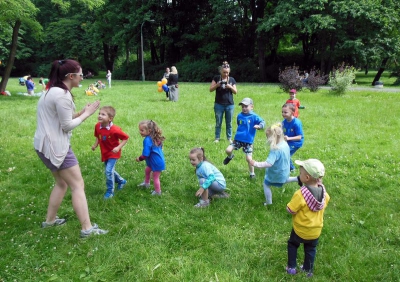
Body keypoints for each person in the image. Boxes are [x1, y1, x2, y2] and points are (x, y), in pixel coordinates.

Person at [34, 59, 108, 238]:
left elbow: (59, 119)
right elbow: (66, 126)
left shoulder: (50, 91)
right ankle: (87, 229)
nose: (83, 77)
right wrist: (88, 115)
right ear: (71, 76)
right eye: (81, 74)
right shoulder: (62, 95)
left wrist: (80, 113)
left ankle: (49, 222)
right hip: (56, 147)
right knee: (77, 185)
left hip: (42, 145)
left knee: (61, 183)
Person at [286, 159, 330, 277]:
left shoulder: (300, 194)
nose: (299, 175)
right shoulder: (325, 194)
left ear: (306, 178)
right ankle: (308, 270)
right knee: (310, 249)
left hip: (300, 229)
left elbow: (291, 209)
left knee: (293, 245)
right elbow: (326, 202)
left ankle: (291, 268)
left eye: (300, 174)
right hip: (315, 231)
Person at [251, 123, 298, 205]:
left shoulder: (275, 149)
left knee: (266, 184)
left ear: (272, 138)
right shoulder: (285, 144)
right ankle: (297, 179)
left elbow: (268, 163)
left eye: (267, 137)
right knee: (284, 179)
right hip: (285, 170)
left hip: (276, 173)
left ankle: (269, 203)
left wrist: (256, 164)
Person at [92, 106, 129, 199]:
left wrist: (118, 147)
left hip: (113, 153)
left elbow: (125, 138)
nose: (100, 116)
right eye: (99, 113)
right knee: (110, 171)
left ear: (110, 118)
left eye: (103, 114)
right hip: (105, 153)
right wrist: (95, 145)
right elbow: (98, 136)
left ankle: (110, 191)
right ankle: (121, 181)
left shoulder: (115, 130)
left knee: (108, 171)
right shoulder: (97, 126)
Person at [223, 97, 265, 178]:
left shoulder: (254, 116)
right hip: (238, 139)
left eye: (246, 106)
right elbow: (239, 124)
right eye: (242, 106)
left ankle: (252, 173)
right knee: (228, 150)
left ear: (251, 107)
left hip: (248, 141)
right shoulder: (239, 115)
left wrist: (259, 126)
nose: (244, 108)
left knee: (249, 159)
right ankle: (230, 156)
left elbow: (262, 122)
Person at [209, 61, 237, 143]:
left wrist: (230, 87)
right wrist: (217, 85)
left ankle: (229, 138)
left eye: (227, 73)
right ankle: (217, 138)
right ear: (221, 71)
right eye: (224, 72)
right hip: (218, 104)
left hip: (229, 104)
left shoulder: (232, 79)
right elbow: (210, 89)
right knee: (218, 122)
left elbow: (235, 91)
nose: (226, 74)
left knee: (229, 123)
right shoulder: (216, 78)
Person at [136, 120, 166, 195]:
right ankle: (146, 183)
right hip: (155, 161)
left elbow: (146, 154)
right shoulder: (154, 137)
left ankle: (158, 191)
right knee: (147, 170)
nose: (140, 132)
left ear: (149, 131)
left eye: (142, 130)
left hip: (156, 162)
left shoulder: (147, 140)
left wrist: (139, 158)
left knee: (155, 177)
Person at [282, 103, 304, 172]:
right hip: (288, 141)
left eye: (285, 112)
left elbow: (299, 137)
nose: (283, 114)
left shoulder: (296, 123)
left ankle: (292, 168)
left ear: (292, 113)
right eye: (282, 112)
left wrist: (288, 138)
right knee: (282, 152)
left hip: (296, 142)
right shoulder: (284, 121)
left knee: (286, 154)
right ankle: (283, 166)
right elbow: (282, 130)